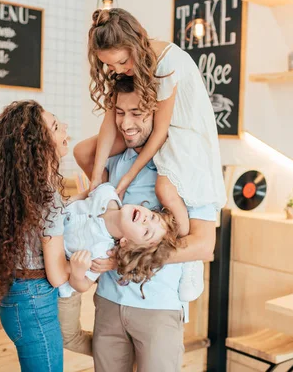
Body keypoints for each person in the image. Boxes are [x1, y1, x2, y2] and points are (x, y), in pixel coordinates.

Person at [88, 77, 220, 372]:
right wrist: (130, 127)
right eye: (120, 113)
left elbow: (203, 245)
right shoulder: (119, 157)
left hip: (158, 307)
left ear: (157, 112)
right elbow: (83, 152)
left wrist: (126, 261)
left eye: (137, 112)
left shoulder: (186, 163)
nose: (125, 122)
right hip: (109, 300)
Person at [0, 100, 70, 372]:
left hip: (13, 297)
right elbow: (58, 275)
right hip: (36, 302)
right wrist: (85, 265)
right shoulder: (48, 198)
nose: (65, 130)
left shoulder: (17, 191)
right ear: (39, 144)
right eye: (57, 127)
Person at [57, 182, 181, 356]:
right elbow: (82, 195)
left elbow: (83, 285)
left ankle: (118, 353)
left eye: (146, 232)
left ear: (125, 242)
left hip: (65, 287)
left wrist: (77, 273)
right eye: (153, 217)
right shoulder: (106, 193)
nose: (146, 220)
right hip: (41, 242)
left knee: (68, 338)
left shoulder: (101, 251)